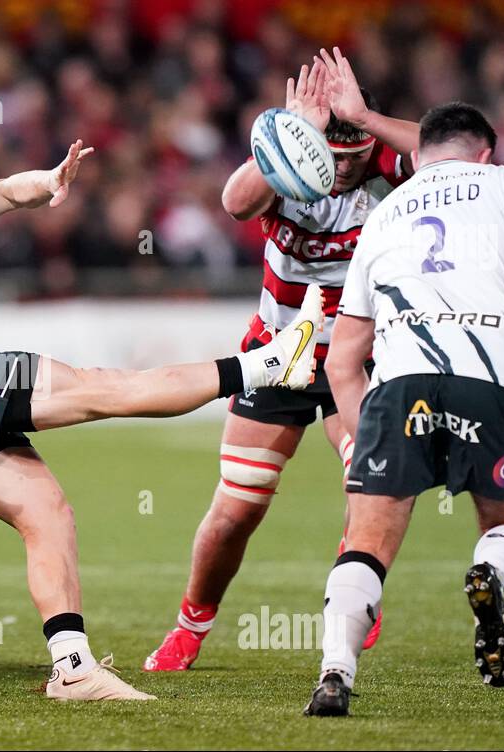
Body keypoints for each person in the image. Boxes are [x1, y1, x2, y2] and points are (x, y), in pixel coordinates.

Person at [0, 99, 322, 701]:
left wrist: (47, 181)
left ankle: (72, 667)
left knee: (46, 510)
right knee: (103, 388)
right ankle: (267, 365)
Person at [303, 102, 504, 716]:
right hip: (489, 381)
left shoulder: (385, 212)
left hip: (399, 387)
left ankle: (334, 672)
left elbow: (341, 361)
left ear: (418, 159)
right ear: (485, 153)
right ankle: (491, 572)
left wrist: (361, 441)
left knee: (365, 545)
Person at [144, 48, 421, 671]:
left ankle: (355, 592)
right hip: (282, 356)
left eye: (352, 159)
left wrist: (367, 118)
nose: (341, 171)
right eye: (333, 156)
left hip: (358, 356)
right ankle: (190, 626)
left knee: (373, 482)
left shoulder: (389, 164)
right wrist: (294, 137)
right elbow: (236, 203)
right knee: (234, 513)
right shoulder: (290, 164)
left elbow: (455, 151)